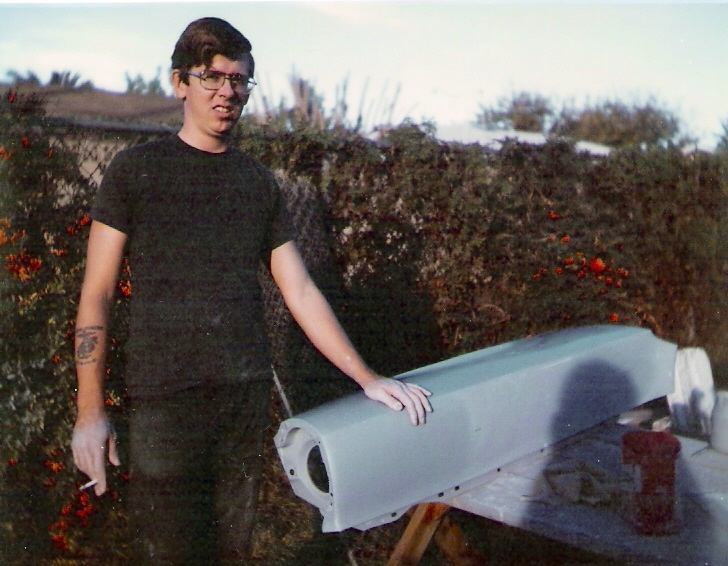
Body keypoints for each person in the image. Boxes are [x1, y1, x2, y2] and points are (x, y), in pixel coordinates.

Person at [70, 17, 432, 566]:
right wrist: (89, 411)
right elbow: (96, 294)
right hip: (164, 399)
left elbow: (300, 291)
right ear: (179, 83)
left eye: (239, 80)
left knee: (229, 552)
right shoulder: (135, 171)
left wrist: (367, 377)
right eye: (212, 78)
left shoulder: (257, 182)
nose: (227, 93)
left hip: (241, 396)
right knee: (168, 553)